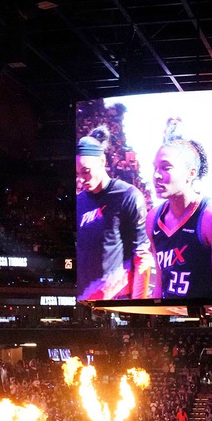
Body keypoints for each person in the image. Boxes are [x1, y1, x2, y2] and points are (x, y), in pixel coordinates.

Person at [148, 135, 212, 299]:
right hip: (169, 319)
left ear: (190, 173)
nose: (156, 175)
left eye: (165, 167)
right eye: (155, 168)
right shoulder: (153, 218)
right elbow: (160, 287)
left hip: (202, 320)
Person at [75, 126, 153, 301]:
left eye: (86, 172)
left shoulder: (128, 196)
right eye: (78, 174)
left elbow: (142, 255)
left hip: (118, 300)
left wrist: (137, 307)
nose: (81, 180)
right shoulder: (79, 202)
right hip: (86, 301)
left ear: (102, 161)